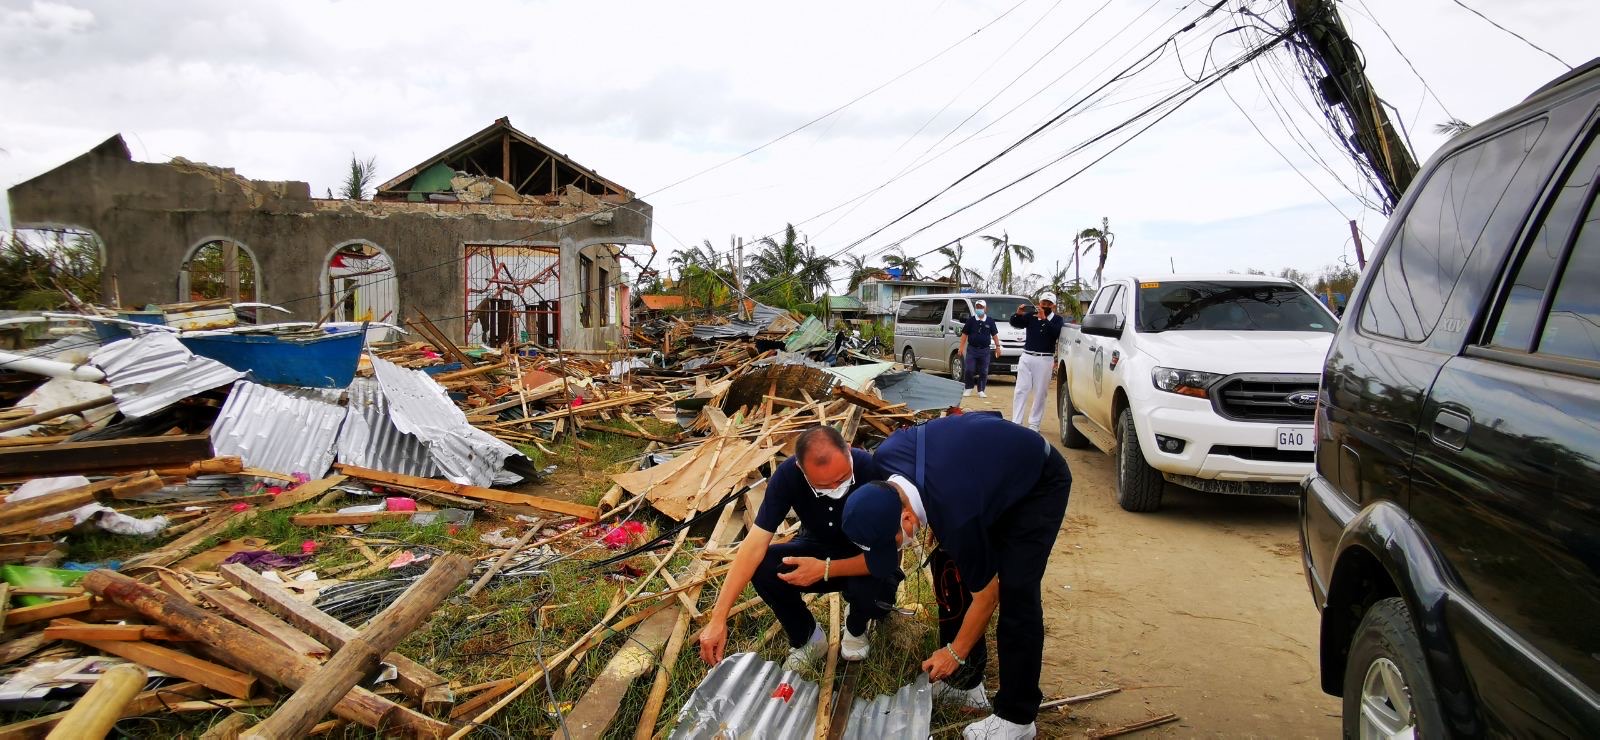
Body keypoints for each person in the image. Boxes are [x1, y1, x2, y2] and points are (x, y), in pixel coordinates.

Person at [842, 414, 1071, 739]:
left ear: (907, 516)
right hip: (982, 477)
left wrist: (955, 652)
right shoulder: (887, 460)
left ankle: (1018, 718)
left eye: (893, 543)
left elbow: (987, 596)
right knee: (948, 565)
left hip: (1036, 482)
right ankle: (965, 685)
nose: (899, 548)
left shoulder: (956, 512)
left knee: (1017, 589)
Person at [696, 425, 896, 670]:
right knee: (765, 567)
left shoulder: (871, 469)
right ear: (801, 469)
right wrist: (718, 618)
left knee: (878, 588)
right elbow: (753, 546)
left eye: (842, 479)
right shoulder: (787, 477)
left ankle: (856, 627)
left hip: (862, 554)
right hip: (815, 545)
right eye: (824, 485)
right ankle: (808, 637)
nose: (835, 488)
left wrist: (825, 569)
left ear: (849, 451)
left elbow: (890, 549)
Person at [1009, 292, 1066, 431]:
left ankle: (1034, 423)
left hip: (1044, 358)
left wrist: (1044, 319)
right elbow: (1015, 323)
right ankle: (1016, 422)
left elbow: (1055, 333)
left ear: (1053, 305)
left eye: (1048, 304)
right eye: (1042, 303)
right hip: (1027, 356)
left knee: (1040, 392)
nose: (1044, 305)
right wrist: (1018, 314)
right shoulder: (1031, 316)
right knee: (1021, 389)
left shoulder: (1057, 319)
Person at [960, 299, 1002, 398]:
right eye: (977, 307)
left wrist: (998, 347)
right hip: (972, 350)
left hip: (985, 351)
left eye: (981, 307)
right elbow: (964, 334)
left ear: (985, 308)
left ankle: (981, 390)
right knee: (969, 369)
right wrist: (961, 347)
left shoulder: (990, 321)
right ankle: (969, 387)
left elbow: (995, 335)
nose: (979, 309)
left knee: (984, 371)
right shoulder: (971, 320)